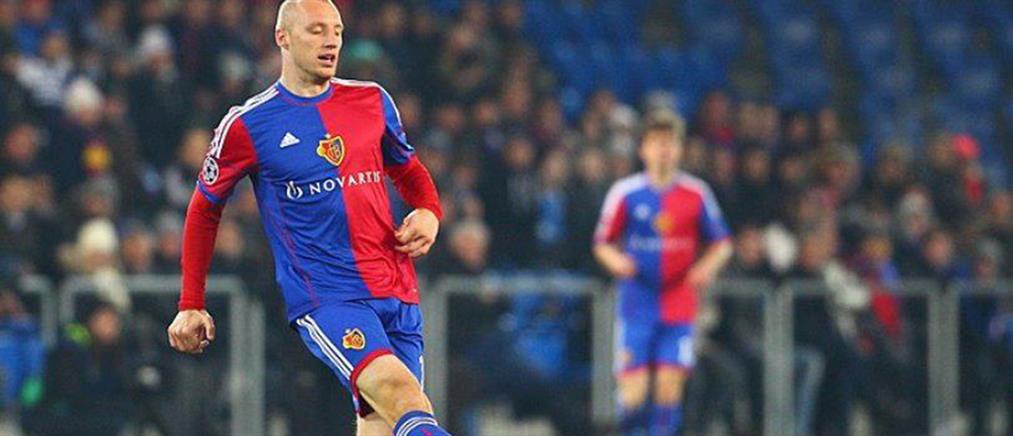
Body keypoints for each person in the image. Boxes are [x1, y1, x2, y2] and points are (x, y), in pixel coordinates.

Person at [165, 1, 450, 435]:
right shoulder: (248, 124)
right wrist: (190, 304)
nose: (331, 40)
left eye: (337, 30)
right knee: (403, 396)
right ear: (282, 37)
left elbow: (407, 169)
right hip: (328, 297)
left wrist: (428, 211)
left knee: (386, 421)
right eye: (317, 30)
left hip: (397, 288)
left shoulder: (372, 100)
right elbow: (205, 209)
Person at [593, 111, 733, 436]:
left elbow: (723, 243)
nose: (664, 150)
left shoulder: (696, 193)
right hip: (636, 303)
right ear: (643, 148)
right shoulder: (625, 193)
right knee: (633, 395)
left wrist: (706, 267)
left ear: (680, 149)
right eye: (657, 142)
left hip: (678, 303)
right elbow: (602, 243)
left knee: (669, 388)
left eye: (670, 142)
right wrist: (616, 262)